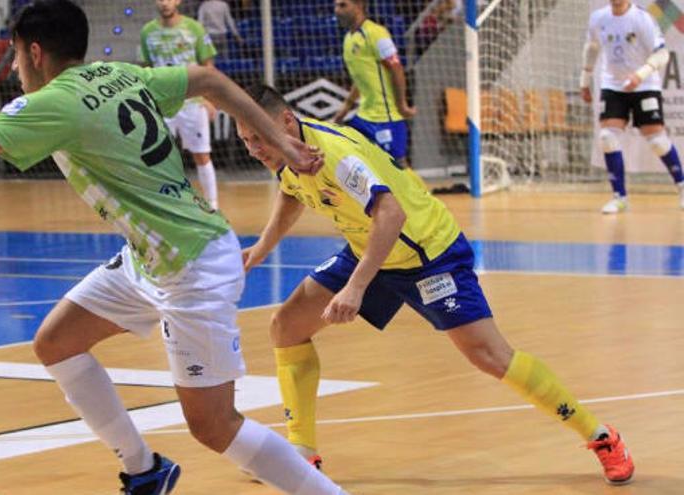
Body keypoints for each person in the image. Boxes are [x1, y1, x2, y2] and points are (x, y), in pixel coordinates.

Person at [0, 2, 349, 494]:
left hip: (191, 265)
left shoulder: (49, 104)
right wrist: (282, 146)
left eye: (17, 56)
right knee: (56, 342)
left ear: (35, 53)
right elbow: (211, 81)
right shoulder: (120, 73)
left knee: (214, 427)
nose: (16, 67)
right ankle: (144, 469)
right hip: (152, 257)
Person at [236, 84, 636, 486]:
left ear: (287, 120)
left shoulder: (334, 153)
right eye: (246, 139)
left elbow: (391, 215)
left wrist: (356, 287)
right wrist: (262, 248)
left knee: (490, 356)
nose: (254, 147)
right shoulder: (288, 149)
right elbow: (293, 191)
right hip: (370, 247)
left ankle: (601, 436)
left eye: (258, 136)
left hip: (427, 252)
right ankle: (302, 451)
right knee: (286, 326)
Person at [581, 0, 684, 213]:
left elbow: (661, 54)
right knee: (607, 137)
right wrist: (584, 79)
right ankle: (619, 197)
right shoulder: (599, 18)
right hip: (613, 85)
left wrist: (640, 75)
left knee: (657, 141)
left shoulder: (642, 19)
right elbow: (592, 47)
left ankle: (682, 185)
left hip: (644, 85)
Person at [142, 0, 221, 210]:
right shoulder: (147, 32)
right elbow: (146, 68)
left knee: (202, 154)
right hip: (162, 104)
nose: (164, 3)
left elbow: (208, 67)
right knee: (159, 156)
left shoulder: (194, 28)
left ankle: (212, 204)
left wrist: (210, 99)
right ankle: (165, 203)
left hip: (192, 103)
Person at [332, 0, 417, 169]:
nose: (337, 11)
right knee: (347, 161)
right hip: (364, 116)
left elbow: (396, 68)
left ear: (359, 5)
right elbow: (361, 78)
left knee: (399, 168)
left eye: (343, 5)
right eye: (336, 6)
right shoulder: (348, 39)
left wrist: (402, 105)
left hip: (386, 117)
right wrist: (345, 109)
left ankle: (422, 196)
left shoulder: (377, 33)